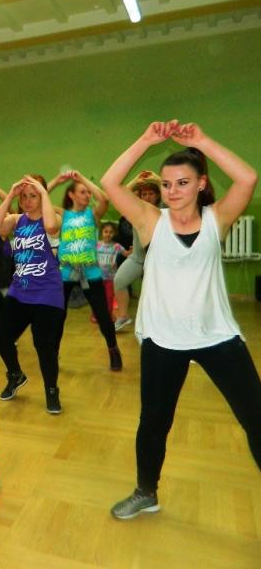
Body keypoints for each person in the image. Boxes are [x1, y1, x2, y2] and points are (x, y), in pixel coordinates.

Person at [100, 120, 261, 520]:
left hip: (216, 335)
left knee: (256, 417)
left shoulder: (217, 218)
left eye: (183, 183)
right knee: (154, 422)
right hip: (163, 338)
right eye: (168, 184)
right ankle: (145, 492)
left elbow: (247, 178)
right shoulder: (150, 220)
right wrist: (145, 140)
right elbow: (110, 182)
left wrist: (202, 140)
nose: (173, 191)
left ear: (202, 184)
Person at [0, 175, 65, 413]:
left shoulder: (53, 218)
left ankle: (51, 390)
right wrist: (10, 195)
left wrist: (43, 192)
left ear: (42, 196)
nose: (28, 200)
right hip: (19, 292)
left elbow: (51, 227)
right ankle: (15, 374)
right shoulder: (16, 220)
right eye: (24, 196)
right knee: (0, 336)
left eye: (33, 196)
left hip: (47, 294)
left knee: (44, 346)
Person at [48, 170, 123, 371]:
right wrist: (57, 180)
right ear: (71, 195)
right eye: (82, 192)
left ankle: (113, 350)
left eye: (88, 192)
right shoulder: (62, 214)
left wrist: (81, 178)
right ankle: (52, 354)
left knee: (103, 315)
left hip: (90, 273)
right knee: (58, 316)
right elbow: (40, 199)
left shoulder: (92, 214)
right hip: (65, 274)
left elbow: (104, 199)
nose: (87, 195)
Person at [112, 174, 162, 331]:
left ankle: (158, 323)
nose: (147, 197)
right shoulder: (135, 210)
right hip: (137, 258)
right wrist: (135, 181)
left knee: (155, 294)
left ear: (158, 195)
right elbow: (119, 196)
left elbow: (171, 191)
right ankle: (123, 316)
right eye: (144, 194)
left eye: (151, 193)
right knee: (119, 281)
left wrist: (157, 180)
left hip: (158, 262)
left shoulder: (164, 210)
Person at [96, 222, 128, 321]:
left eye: (111, 232)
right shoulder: (96, 245)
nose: (108, 234)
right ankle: (96, 315)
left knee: (109, 298)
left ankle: (108, 316)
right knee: (97, 298)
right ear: (102, 232)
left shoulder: (116, 246)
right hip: (97, 278)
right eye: (106, 231)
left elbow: (126, 254)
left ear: (114, 233)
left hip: (111, 278)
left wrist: (132, 251)